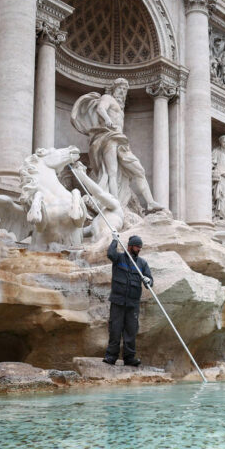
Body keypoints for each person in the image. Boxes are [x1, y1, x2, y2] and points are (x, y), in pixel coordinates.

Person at [71, 78, 164, 214]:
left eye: (125, 90)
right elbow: (100, 108)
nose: (123, 92)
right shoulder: (107, 97)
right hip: (108, 137)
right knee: (112, 173)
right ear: (114, 89)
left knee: (139, 170)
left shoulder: (120, 107)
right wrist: (107, 119)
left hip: (120, 141)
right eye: (120, 88)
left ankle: (150, 202)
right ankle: (115, 204)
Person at [105, 234, 153, 367]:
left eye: (140, 247)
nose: (139, 249)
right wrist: (114, 240)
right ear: (130, 246)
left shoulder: (142, 264)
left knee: (131, 331)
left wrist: (148, 280)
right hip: (118, 301)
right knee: (115, 329)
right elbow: (110, 254)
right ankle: (111, 356)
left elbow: (150, 281)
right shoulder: (119, 258)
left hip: (132, 304)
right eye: (137, 246)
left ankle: (129, 358)